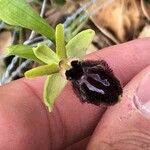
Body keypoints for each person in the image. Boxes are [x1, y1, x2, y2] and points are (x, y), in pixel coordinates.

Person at [0, 38, 150, 150]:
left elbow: (86, 36)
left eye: (69, 64)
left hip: (87, 73)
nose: (68, 66)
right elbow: (48, 98)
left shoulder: (75, 62)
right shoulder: (60, 79)